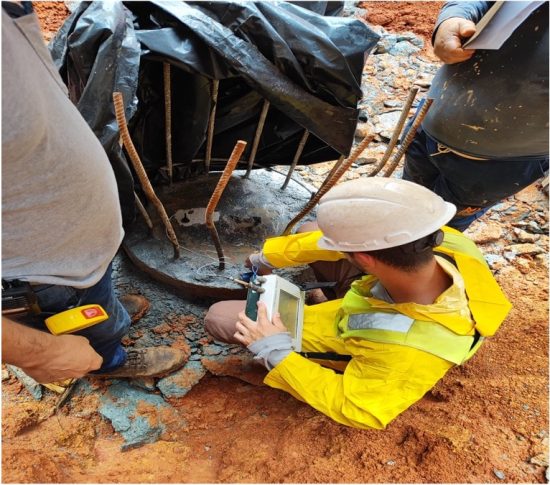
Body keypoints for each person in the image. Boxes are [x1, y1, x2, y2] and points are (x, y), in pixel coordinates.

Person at [204, 178, 512, 429]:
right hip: (377, 292)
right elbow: (339, 242)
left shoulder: (406, 354)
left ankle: (301, 351)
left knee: (221, 317)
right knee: (309, 232)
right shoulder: (443, 240)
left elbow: (357, 409)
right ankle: (333, 290)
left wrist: (277, 352)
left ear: (364, 258)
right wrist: (268, 256)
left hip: (370, 339)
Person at [1, 5, 185, 384]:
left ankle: (105, 313)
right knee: (88, 336)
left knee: (95, 301)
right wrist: (38, 351)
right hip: (42, 272)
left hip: (73, 254)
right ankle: (109, 362)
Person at [403, 1, 548, 231]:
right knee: (406, 199)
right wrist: (452, 18)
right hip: (431, 120)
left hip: (501, 163)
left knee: (440, 227)